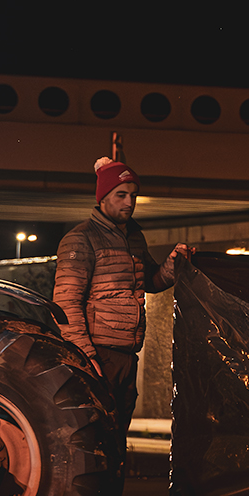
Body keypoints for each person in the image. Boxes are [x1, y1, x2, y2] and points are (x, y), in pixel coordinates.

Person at [53, 156, 194, 442]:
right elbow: (66, 304)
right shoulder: (81, 238)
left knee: (116, 440)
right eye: (121, 195)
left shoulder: (134, 238)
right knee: (92, 438)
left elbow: (151, 281)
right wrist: (85, 357)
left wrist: (171, 266)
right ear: (103, 197)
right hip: (97, 355)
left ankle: (113, 487)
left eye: (133, 195)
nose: (129, 202)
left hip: (126, 357)